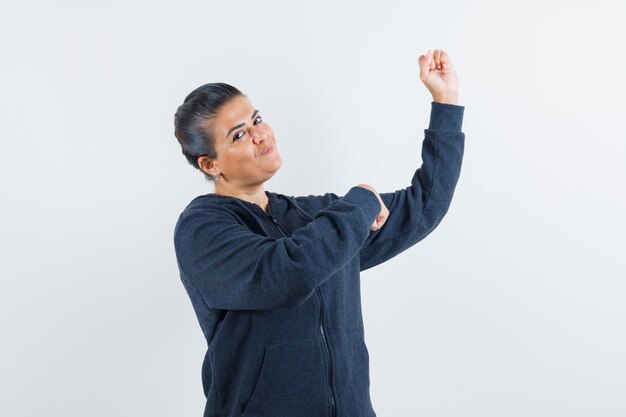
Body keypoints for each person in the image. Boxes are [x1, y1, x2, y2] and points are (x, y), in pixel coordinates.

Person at [173, 48, 465, 417]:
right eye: (239, 134)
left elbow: (424, 206)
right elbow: (288, 273)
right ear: (210, 163)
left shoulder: (313, 216)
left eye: (257, 119)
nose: (261, 135)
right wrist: (361, 202)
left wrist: (446, 103)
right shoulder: (202, 229)